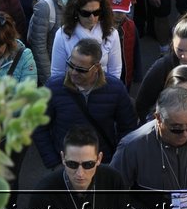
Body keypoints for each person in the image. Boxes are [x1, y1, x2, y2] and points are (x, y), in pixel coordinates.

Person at [34, 37, 137, 168]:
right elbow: (39, 127)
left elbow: (128, 129)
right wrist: (54, 163)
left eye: (81, 70)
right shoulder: (53, 88)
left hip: (103, 165)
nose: (73, 72)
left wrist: (117, 160)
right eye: (70, 65)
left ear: (97, 67)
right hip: (66, 165)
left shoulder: (115, 89)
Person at [24, 125, 134, 209]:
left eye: (88, 165)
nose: (80, 173)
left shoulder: (112, 180)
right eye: (72, 164)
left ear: (99, 159)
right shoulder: (43, 195)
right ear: (63, 158)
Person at [30, 0, 91, 83]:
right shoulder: (45, 6)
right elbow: (38, 49)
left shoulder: (85, 0)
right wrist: (52, 81)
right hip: (58, 77)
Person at [51, 0, 125, 81]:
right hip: (72, 90)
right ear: (76, 11)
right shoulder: (62, 34)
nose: (92, 17)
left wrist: (110, 92)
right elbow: (57, 72)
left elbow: (115, 70)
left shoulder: (111, 33)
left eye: (96, 12)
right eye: (86, 13)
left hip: (102, 89)